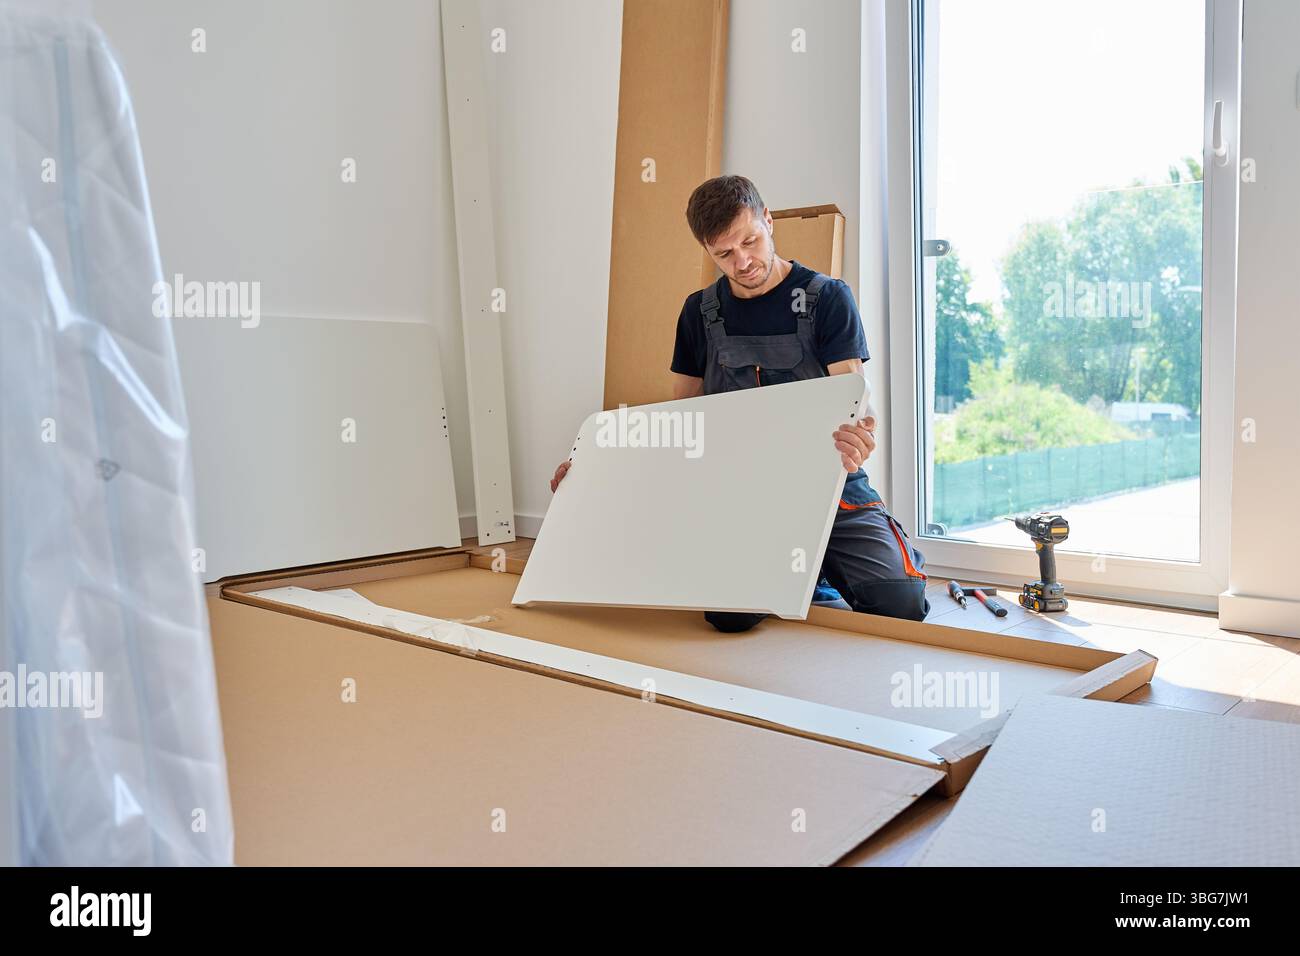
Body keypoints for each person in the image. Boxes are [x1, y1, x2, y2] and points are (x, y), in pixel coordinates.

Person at [551, 174, 929, 632]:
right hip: (745, 497)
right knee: (728, 616)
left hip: (832, 488)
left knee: (901, 605)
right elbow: (677, 422)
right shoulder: (699, 312)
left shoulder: (828, 298)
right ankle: (808, 573)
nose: (743, 262)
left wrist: (862, 436)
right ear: (706, 249)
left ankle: (826, 563)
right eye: (724, 253)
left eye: (750, 241)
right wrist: (593, 471)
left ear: (768, 220)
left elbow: (855, 404)